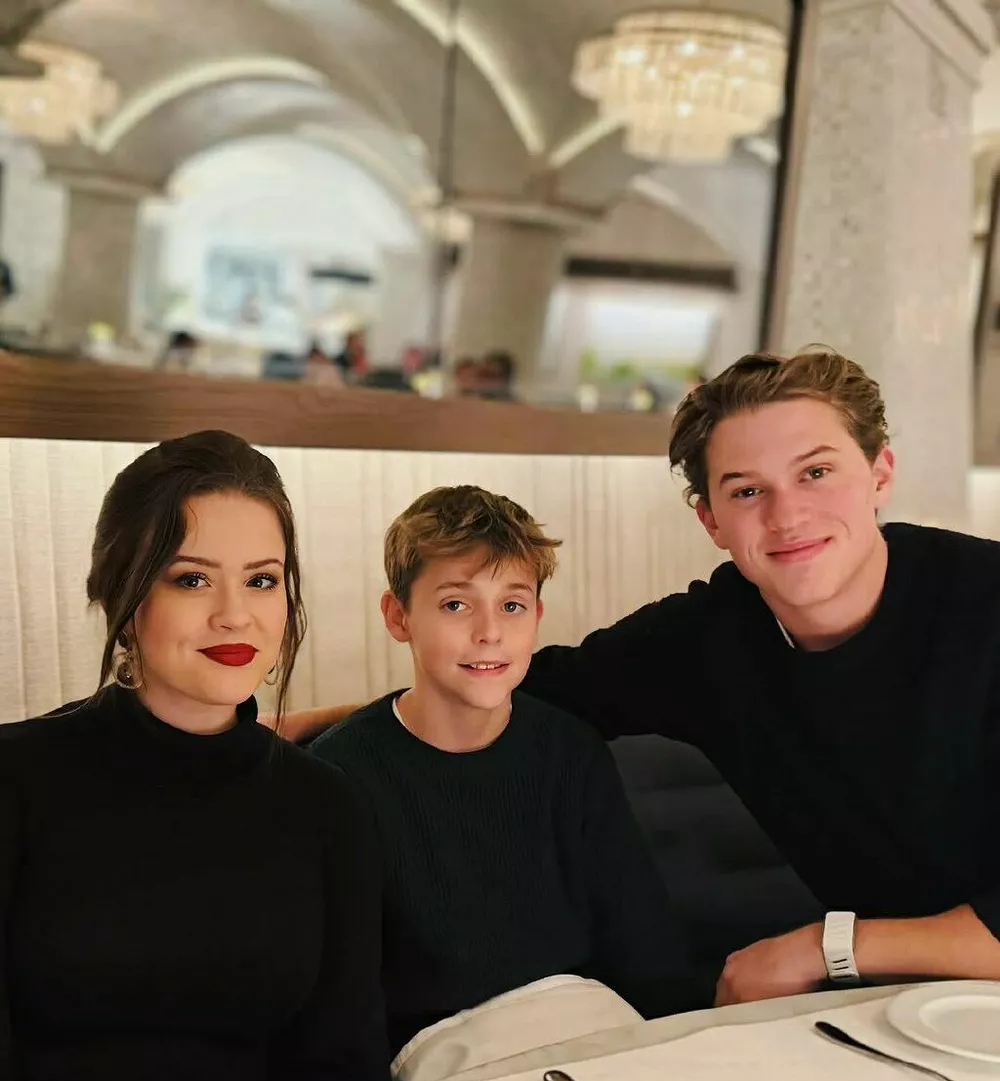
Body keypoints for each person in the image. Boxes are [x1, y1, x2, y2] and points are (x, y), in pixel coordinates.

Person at [274, 349, 1000, 1009]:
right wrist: (324, 726)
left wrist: (827, 947)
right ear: (711, 520)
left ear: (880, 473)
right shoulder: (710, 638)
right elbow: (516, 684)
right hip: (900, 1007)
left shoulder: (986, 603)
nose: (787, 515)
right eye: (747, 491)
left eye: (816, 472)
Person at [0, 430, 391, 1081]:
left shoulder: (328, 806)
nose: (234, 614)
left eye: (262, 580)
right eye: (191, 579)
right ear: (123, 595)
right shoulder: (18, 777)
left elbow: (340, 1075)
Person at [309, 486, 699, 1058]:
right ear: (398, 616)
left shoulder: (570, 749)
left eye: (512, 606)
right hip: (442, 1058)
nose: (490, 632)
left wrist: (686, 1056)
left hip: (594, 1032)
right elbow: (342, 1002)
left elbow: (644, 942)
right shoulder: (341, 775)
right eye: (456, 605)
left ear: (536, 615)